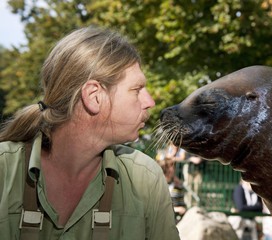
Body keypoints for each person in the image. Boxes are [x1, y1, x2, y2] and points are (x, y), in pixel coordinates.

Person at [0, 26, 180, 240]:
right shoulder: (4, 171)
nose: (150, 102)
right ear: (94, 96)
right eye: (137, 89)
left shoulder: (145, 178)